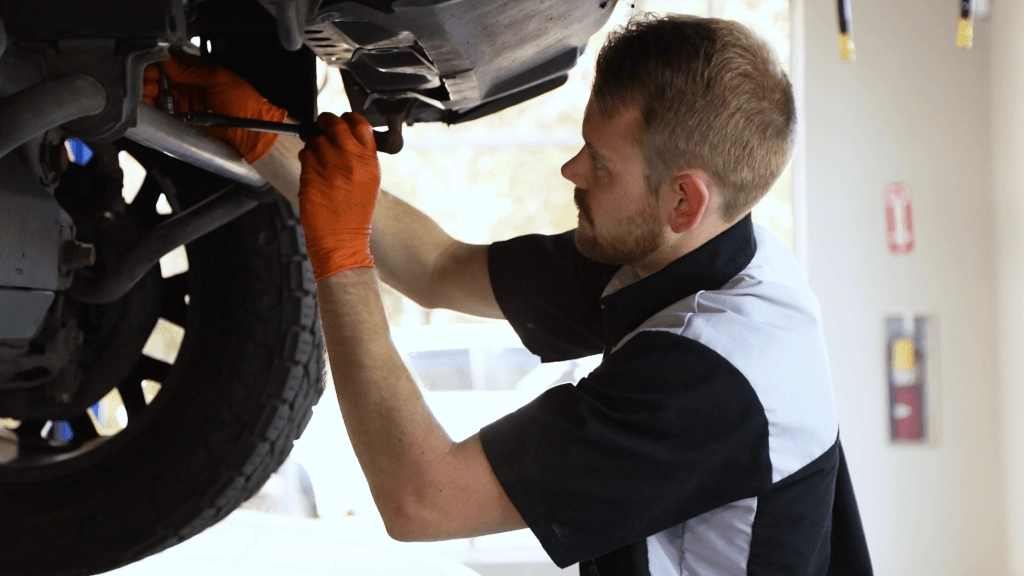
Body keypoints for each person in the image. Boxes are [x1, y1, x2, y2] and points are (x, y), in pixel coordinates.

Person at [145, 14, 872, 576]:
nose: (570, 169)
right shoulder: (688, 254)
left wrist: (338, 256)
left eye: (601, 164)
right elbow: (437, 267)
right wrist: (259, 136)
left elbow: (420, 497)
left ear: (684, 199)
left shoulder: (711, 375)